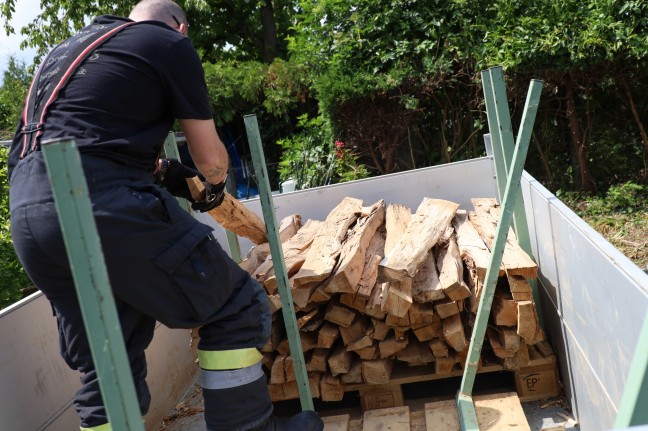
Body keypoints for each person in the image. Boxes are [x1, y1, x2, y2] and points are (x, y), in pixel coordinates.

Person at [7, 1, 324, 430]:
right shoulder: (168, 43)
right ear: (182, 27)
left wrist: (164, 172)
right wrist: (211, 188)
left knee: (110, 362)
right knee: (236, 305)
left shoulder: (62, 54)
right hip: (101, 203)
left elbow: (84, 138)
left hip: (30, 216)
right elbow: (211, 159)